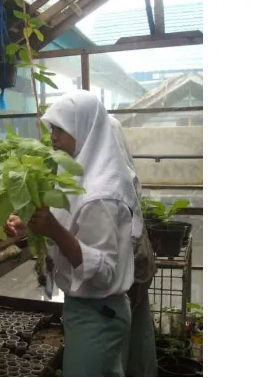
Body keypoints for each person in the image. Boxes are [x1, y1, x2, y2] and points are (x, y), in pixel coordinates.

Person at [6, 90, 139, 376]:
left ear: (84, 127)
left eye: (60, 129)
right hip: (89, 309)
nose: (52, 136)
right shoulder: (81, 177)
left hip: (98, 313)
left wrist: (53, 229)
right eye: (52, 128)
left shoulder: (102, 194)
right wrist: (31, 225)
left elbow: (104, 270)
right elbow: (71, 233)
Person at [110, 116, 158, 376]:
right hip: (139, 265)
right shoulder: (127, 173)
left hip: (126, 270)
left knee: (122, 336)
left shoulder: (112, 179)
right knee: (139, 328)